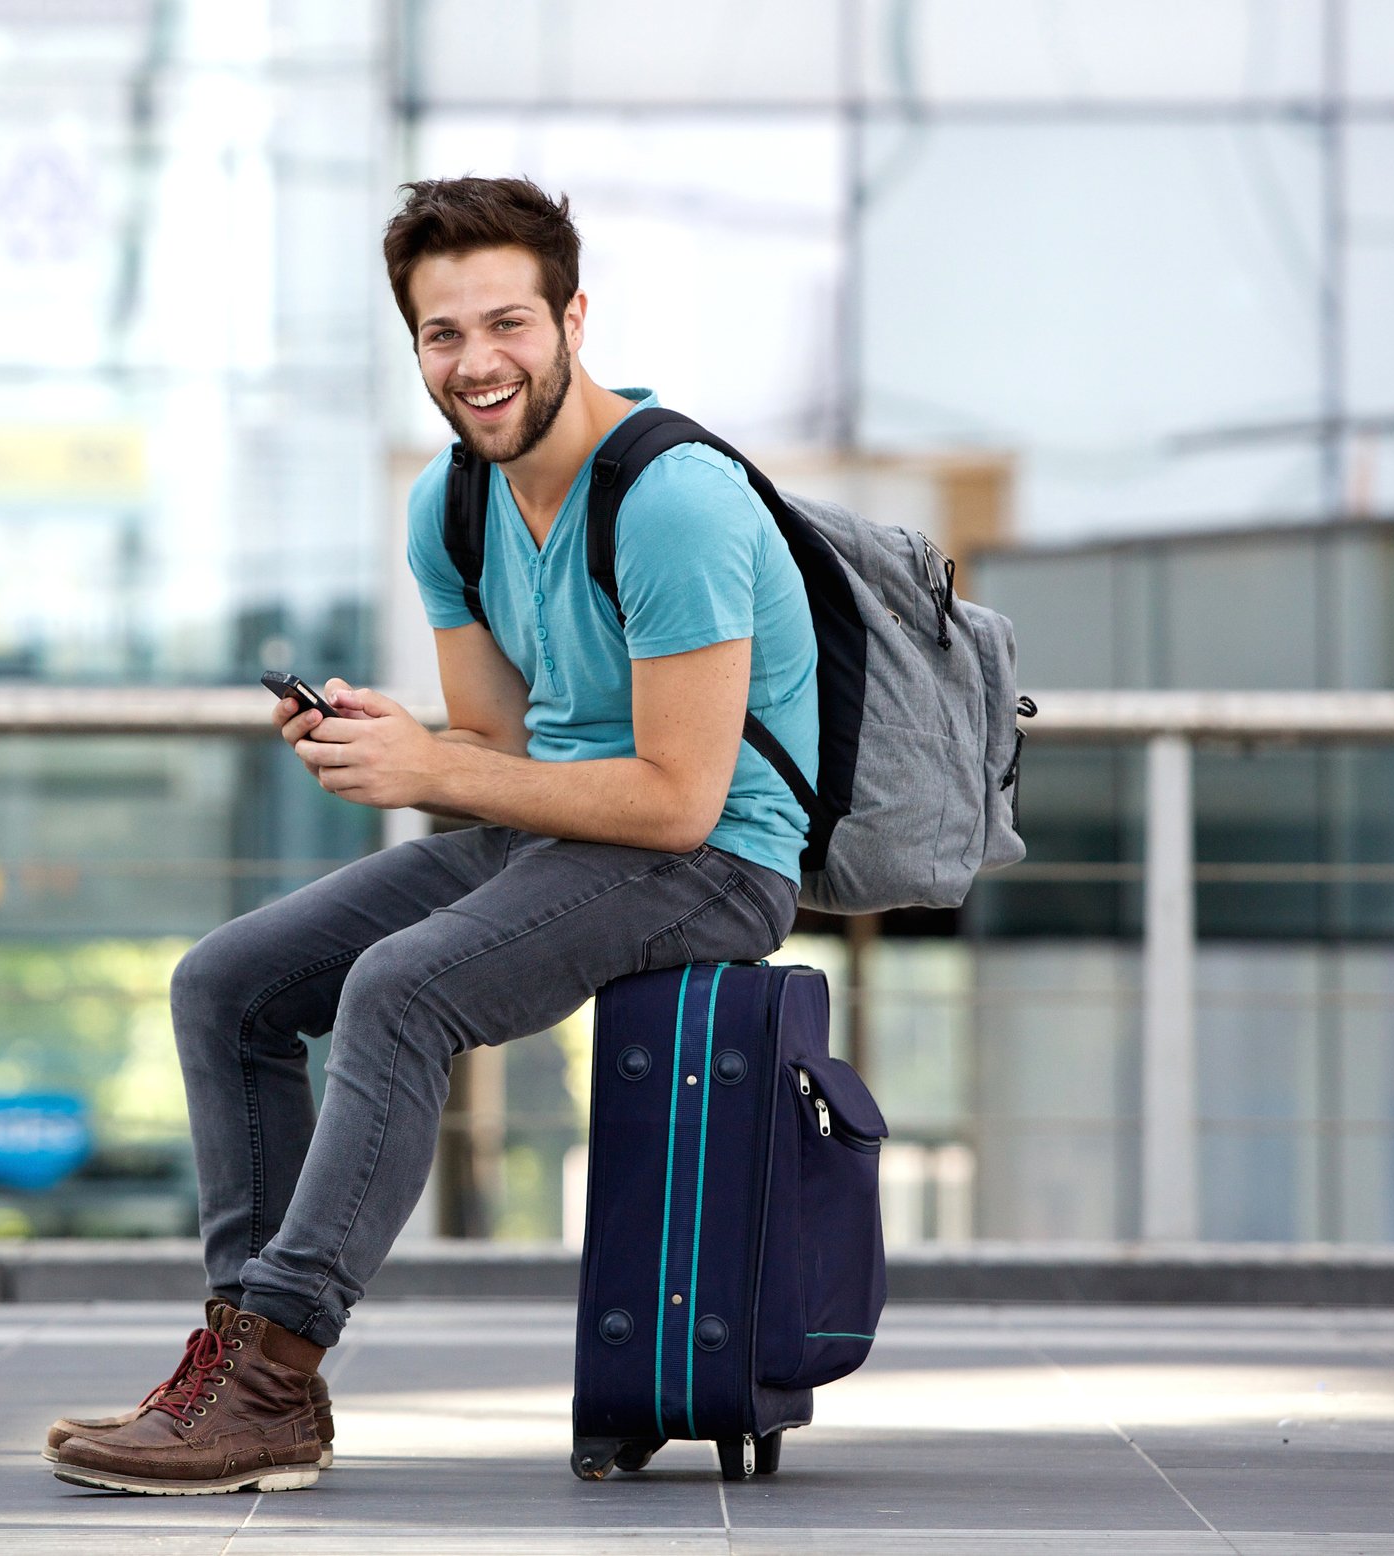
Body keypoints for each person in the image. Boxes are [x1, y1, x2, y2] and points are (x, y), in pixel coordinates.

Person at [46, 175, 819, 1495]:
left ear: (574, 317)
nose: (477, 362)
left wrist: (439, 769)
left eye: (507, 323)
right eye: (441, 335)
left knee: (399, 990)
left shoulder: (672, 501)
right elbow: (506, 763)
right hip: (565, 839)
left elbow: (682, 801)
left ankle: (277, 1372)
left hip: (716, 863)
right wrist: (399, 745)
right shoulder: (449, 505)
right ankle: (239, 1360)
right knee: (226, 985)